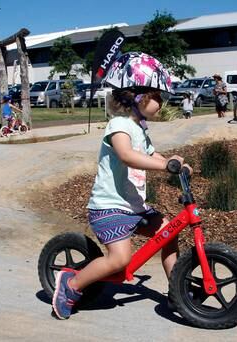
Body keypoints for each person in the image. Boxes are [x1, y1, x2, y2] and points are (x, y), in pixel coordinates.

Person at [51, 52, 192, 320]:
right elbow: (127, 155)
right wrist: (164, 166)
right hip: (109, 207)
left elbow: (152, 156)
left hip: (134, 208)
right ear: (138, 96)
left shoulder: (141, 128)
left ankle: (178, 292)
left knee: (169, 233)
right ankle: (70, 286)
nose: (161, 102)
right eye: (157, 96)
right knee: (120, 260)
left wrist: (175, 162)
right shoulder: (118, 125)